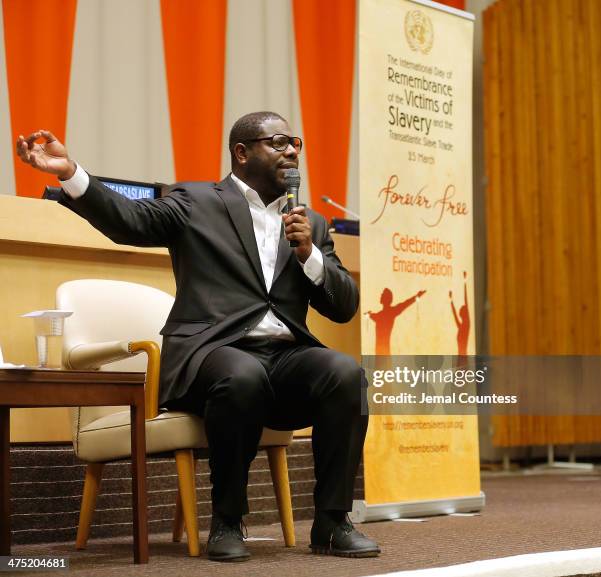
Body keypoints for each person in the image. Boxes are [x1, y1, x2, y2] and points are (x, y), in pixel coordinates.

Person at [16, 111, 380, 562]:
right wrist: (71, 174)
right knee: (242, 373)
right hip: (213, 354)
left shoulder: (310, 223)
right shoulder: (197, 200)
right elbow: (129, 221)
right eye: (279, 141)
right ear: (242, 153)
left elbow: (343, 307)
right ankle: (228, 520)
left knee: (345, 373)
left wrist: (309, 255)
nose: (291, 151)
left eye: (296, 143)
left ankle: (331, 522)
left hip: (283, 359)